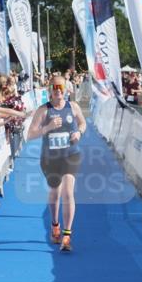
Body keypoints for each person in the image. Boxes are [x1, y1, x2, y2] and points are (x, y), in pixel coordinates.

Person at [25, 74, 86, 253]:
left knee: (68, 192)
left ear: (66, 89)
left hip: (71, 155)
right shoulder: (43, 110)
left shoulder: (73, 107)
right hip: (50, 159)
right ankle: (55, 225)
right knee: (55, 193)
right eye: (55, 88)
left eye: (61, 87)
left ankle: (67, 236)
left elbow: (82, 123)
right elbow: (30, 135)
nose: (58, 91)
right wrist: (48, 128)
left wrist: (79, 133)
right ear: (50, 91)